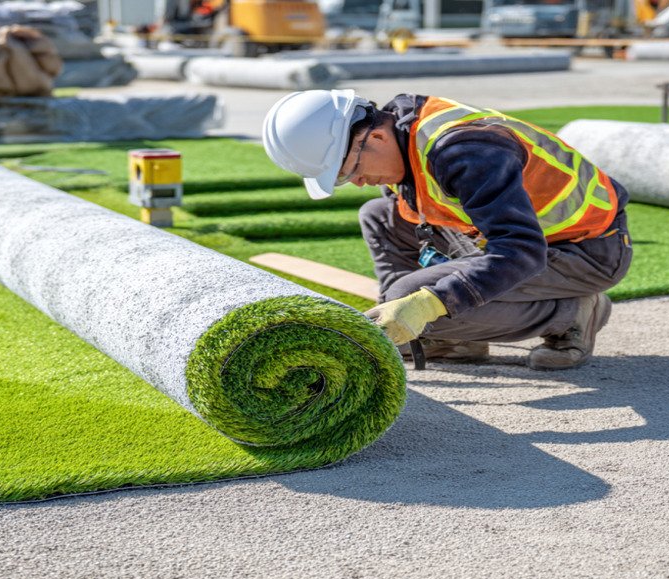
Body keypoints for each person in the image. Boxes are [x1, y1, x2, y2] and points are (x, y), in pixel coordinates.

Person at [262, 89, 633, 370]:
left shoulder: (465, 152)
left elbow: (520, 250)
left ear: (373, 138)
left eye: (349, 170)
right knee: (378, 215)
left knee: (417, 294)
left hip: (587, 250)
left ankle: (573, 313)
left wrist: (428, 304)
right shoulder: (399, 136)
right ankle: (450, 337)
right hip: (515, 238)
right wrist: (402, 310)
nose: (357, 181)